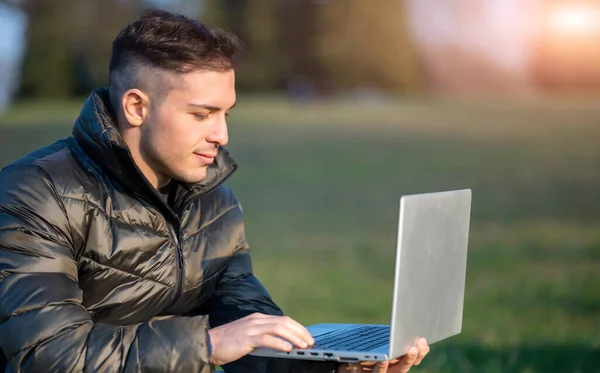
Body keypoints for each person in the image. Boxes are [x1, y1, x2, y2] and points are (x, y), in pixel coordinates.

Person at [0, 9, 429, 373]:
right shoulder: (34, 194)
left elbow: (244, 321)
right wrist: (205, 345)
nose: (221, 134)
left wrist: (338, 364)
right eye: (202, 114)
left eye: (225, 113)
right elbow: (47, 354)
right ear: (136, 106)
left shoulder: (213, 200)